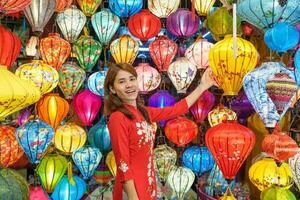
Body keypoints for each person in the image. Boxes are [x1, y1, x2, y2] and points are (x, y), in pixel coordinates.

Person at [104, 63, 216, 200]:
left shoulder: (143, 112)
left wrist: (202, 86)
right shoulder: (118, 118)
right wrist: (133, 196)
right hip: (132, 188)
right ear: (112, 88)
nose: (129, 85)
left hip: (148, 181)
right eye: (122, 82)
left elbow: (177, 109)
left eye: (132, 79)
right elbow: (123, 162)